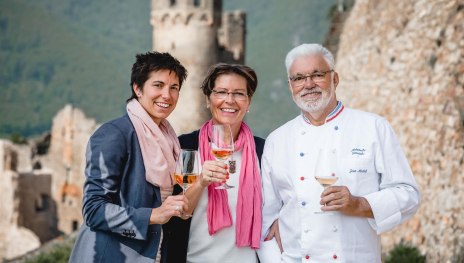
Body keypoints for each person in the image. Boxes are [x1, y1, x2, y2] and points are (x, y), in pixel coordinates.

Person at [259, 43, 420, 262]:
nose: (308, 84)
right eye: (298, 78)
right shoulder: (277, 140)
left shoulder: (373, 127)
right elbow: (266, 219)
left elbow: (408, 194)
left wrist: (360, 204)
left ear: (334, 79)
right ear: (290, 85)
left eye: (317, 75)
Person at [69, 51, 189, 263]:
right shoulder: (114, 134)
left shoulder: (171, 140)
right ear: (137, 88)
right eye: (158, 85)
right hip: (112, 256)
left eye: (174, 88)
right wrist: (152, 215)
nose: (167, 95)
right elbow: (94, 209)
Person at [163, 63, 265, 263]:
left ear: (248, 102)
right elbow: (178, 211)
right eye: (221, 92)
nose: (229, 100)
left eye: (239, 93)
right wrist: (201, 181)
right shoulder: (186, 146)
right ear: (208, 100)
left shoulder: (263, 151)